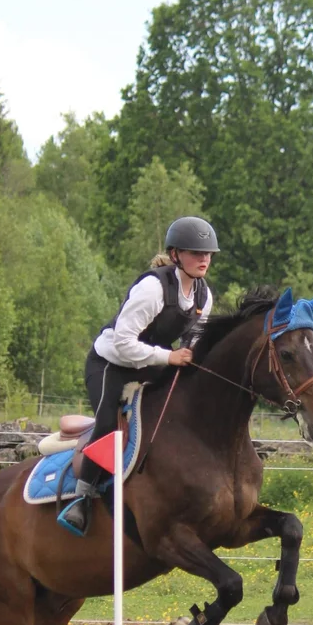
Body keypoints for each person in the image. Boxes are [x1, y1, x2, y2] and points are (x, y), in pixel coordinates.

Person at [57, 216, 219, 535]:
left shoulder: (204, 297)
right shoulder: (152, 288)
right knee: (107, 425)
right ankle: (81, 496)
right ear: (175, 255)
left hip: (150, 364)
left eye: (208, 253)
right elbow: (123, 342)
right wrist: (169, 357)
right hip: (110, 363)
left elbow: (193, 343)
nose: (204, 259)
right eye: (194, 252)